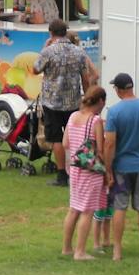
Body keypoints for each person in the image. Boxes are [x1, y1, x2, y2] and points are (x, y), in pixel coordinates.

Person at [34, 18, 98, 186]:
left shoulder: (48, 52)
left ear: (51, 33)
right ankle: (80, 172)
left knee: (56, 139)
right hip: (73, 102)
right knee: (77, 137)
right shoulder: (78, 52)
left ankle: (62, 175)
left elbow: (35, 69)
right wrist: (86, 99)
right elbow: (85, 78)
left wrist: (45, 47)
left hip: (52, 102)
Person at [104, 73, 139, 261]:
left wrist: (108, 169)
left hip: (121, 167)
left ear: (118, 90)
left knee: (120, 207)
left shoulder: (114, 112)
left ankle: (117, 250)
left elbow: (110, 143)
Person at [62, 85, 109, 260]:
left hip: (74, 168)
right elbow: (100, 150)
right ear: (101, 101)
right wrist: (107, 171)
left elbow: (65, 142)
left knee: (74, 209)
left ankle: (67, 248)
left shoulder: (73, 116)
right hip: (90, 170)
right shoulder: (95, 121)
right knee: (87, 211)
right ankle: (80, 251)